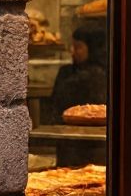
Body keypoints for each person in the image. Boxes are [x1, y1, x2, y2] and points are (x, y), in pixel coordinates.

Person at [46, 24, 108, 165]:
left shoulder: (104, 75)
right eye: (72, 46)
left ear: (93, 49)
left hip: (97, 147)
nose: (72, 52)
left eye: (78, 47)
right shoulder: (66, 72)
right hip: (67, 144)